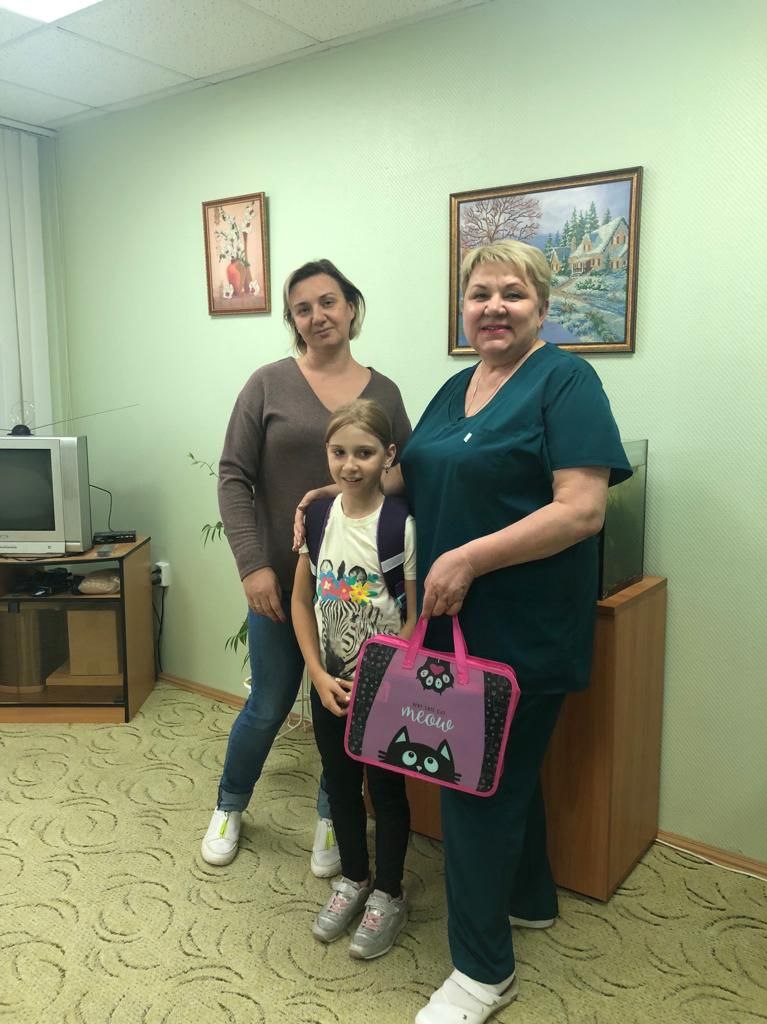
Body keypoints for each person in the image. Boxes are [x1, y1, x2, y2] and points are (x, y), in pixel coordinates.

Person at [295, 239, 631, 1022]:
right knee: (507, 773)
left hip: (523, 626)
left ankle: (483, 974)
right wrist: (337, 492)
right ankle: (530, 898)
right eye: (480, 295)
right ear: (464, 308)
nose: (494, 308)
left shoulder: (567, 381)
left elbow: (582, 508)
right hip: (453, 626)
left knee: (475, 790)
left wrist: (470, 557)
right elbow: (408, 472)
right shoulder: (458, 388)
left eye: (512, 294)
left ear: (542, 305)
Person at [201, 260, 411, 876]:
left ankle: (332, 815)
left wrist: (336, 492)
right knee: (268, 704)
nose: (317, 315)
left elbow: (405, 473)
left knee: (341, 705)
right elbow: (233, 476)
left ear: (351, 306)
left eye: (328, 302)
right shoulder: (267, 384)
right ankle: (229, 805)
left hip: (358, 594)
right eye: (302, 308)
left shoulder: (384, 392)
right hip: (282, 584)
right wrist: (251, 566)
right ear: (292, 320)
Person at [291, 398, 417, 959]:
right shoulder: (319, 519)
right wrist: (317, 672)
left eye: (364, 453)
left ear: (387, 455)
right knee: (339, 784)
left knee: (386, 792)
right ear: (327, 453)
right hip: (330, 685)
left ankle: (388, 892)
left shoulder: (399, 525)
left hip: (384, 688)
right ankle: (353, 879)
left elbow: (414, 615)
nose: (349, 464)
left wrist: (386, 680)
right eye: (338, 452)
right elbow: (301, 601)